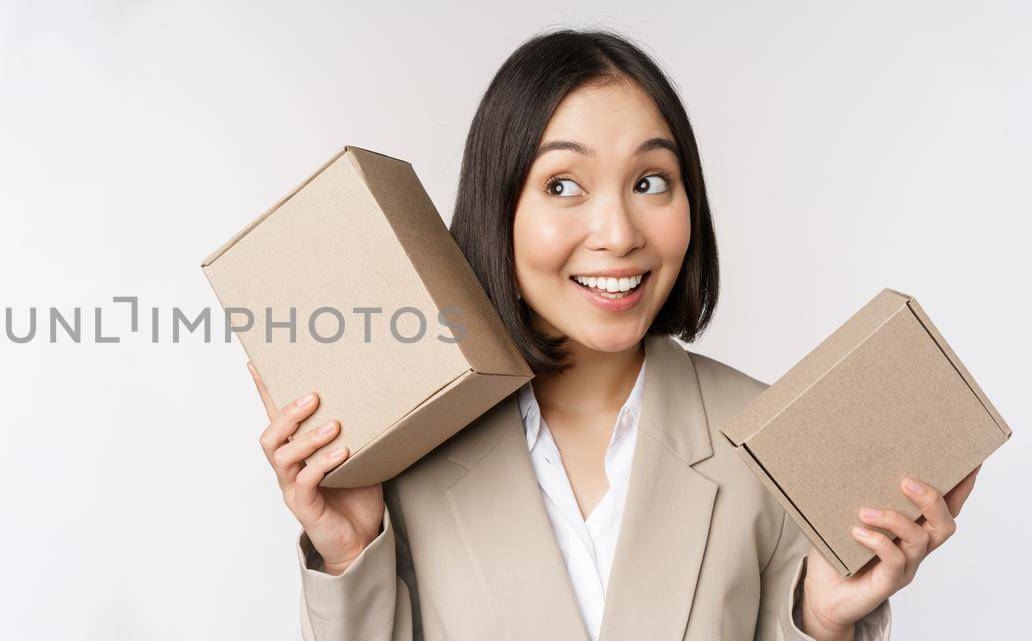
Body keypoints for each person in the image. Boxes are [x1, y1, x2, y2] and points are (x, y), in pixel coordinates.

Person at [248, 29, 981, 641]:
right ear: (498, 202)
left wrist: (819, 621)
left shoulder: (775, 445)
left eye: (651, 181)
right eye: (563, 184)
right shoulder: (405, 457)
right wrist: (348, 558)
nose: (619, 233)